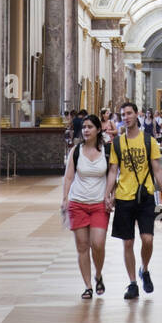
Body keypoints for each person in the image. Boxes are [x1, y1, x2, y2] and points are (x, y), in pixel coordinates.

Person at [105, 100, 162, 300]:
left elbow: (157, 168)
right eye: (123, 114)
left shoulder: (148, 140)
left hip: (146, 195)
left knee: (148, 239)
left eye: (129, 113)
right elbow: (113, 170)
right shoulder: (117, 143)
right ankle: (133, 283)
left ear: (136, 115)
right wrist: (107, 194)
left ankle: (145, 269)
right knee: (127, 243)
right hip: (124, 196)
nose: (126, 117)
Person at [62, 113, 111, 298]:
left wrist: (110, 195)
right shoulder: (76, 150)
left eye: (90, 127)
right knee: (82, 247)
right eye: (84, 127)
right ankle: (88, 286)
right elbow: (68, 176)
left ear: (98, 129)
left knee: (97, 244)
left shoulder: (106, 151)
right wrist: (65, 198)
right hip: (78, 204)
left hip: (99, 204)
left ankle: (98, 274)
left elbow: (113, 175)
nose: (86, 130)